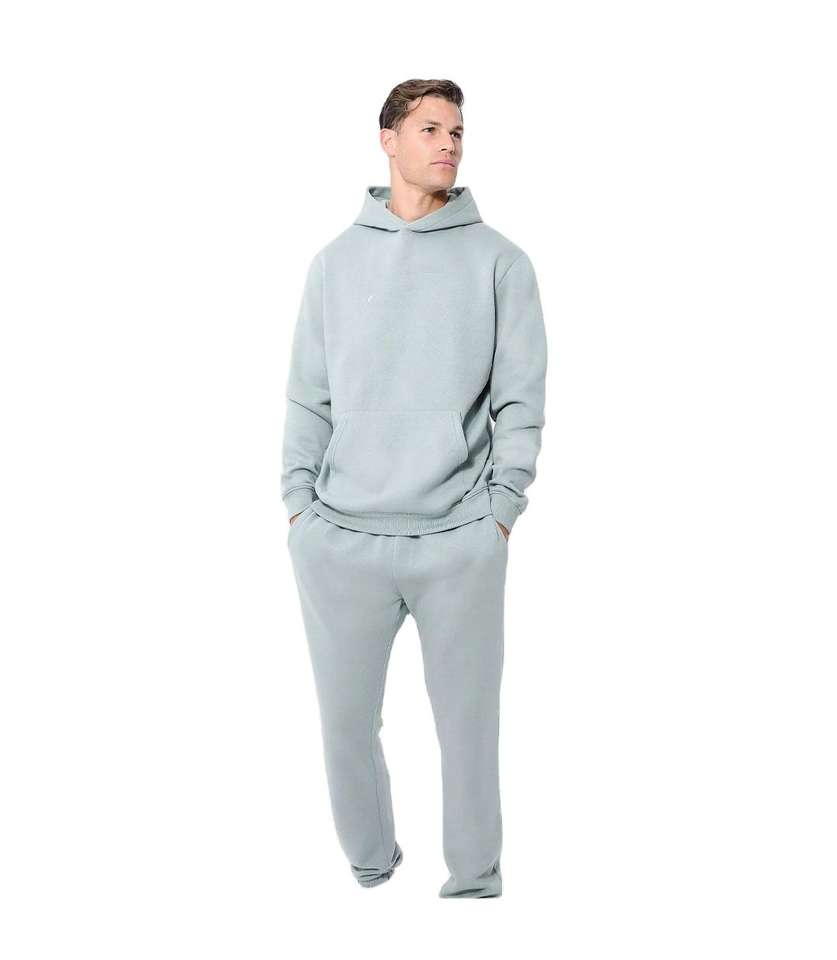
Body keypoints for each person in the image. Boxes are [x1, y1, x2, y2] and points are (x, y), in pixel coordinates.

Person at [281, 78, 548, 898]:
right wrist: (298, 507)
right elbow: (308, 397)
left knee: (467, 730)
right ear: (387, 139)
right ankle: (371, 868)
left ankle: (473, 883)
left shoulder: (499, 261)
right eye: (430, 128)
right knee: (343, 728)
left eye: (457, 131)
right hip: (341, 538)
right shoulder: (334, 264)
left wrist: (500, 511)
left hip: (458, 538)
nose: (449, 144)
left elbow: (519, 400)